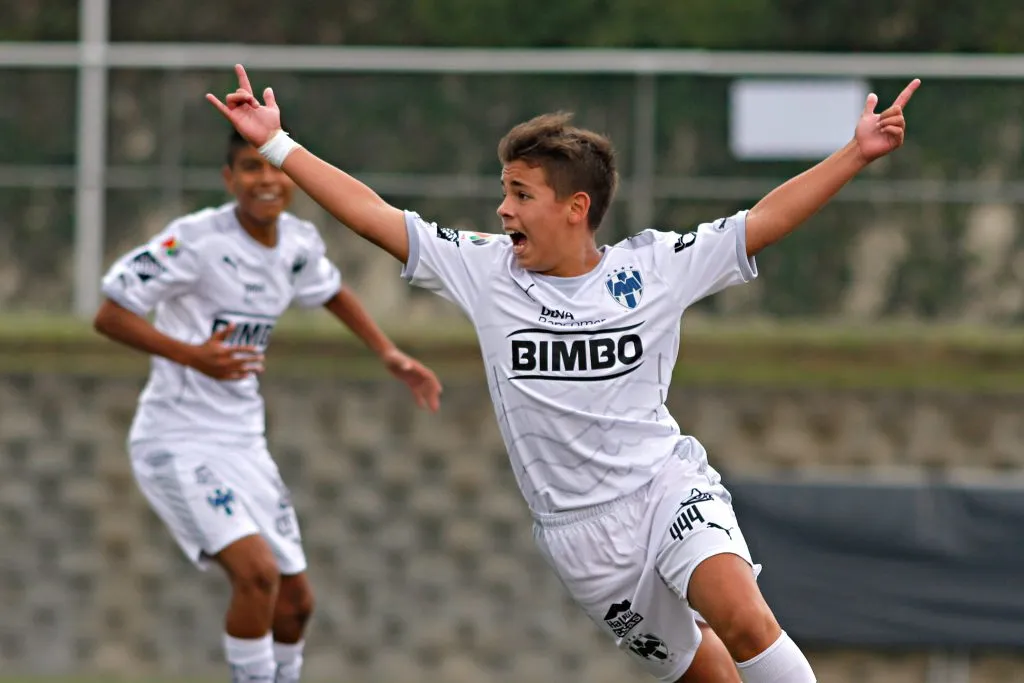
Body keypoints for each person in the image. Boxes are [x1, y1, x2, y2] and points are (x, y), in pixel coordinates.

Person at [208, 64, 918, 683]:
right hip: (580, 537)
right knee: (708, 674)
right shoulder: (486, 272)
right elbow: (373, 215)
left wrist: (856, 153)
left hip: (664, 488)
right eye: (505, 191)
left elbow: (763, 220)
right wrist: (277, 144)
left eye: (521, 194)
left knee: (744, 619)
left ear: (576, 208)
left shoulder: (653, 268)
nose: (503, 209)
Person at [93, 127, 443, 683]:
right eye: (250, 168)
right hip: (177, 439)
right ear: (229, 178)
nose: (266, 180)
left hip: (244, 442)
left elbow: (330, 291)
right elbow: (110, 313)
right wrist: (193, 355)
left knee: (295, 603)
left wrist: (388, 352)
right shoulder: (194, 241)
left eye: (275, 168)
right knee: (256, 574)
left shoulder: (297, 244)